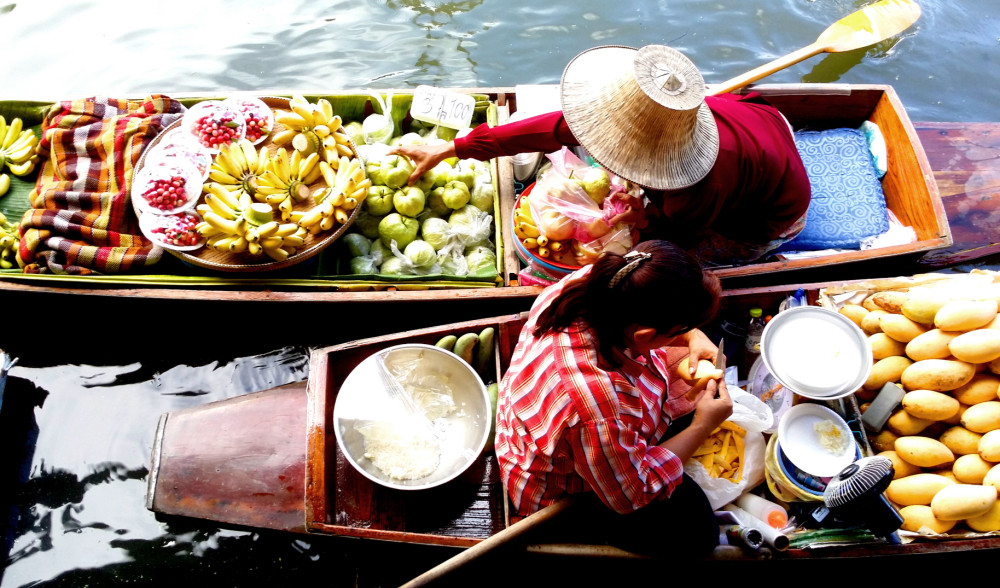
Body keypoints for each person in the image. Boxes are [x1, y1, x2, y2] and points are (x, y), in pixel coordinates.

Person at [390, 44, 811, 266]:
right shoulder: (648, 115)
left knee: (671, 262)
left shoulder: (700, 185)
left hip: (769, 211)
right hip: (762, 124)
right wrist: (453, 147)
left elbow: (676, 233)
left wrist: (642, 221)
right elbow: (552, 128)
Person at [494, 239, 732, 556]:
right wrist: (703, 425)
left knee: (693, 379)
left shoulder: (601, 281)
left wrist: (693, 334)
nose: (685, 334)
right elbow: (632, 494)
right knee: (699, 532)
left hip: (552, 419)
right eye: (680, 328)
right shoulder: (600, 410)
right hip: (559, 490)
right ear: (644, 335)